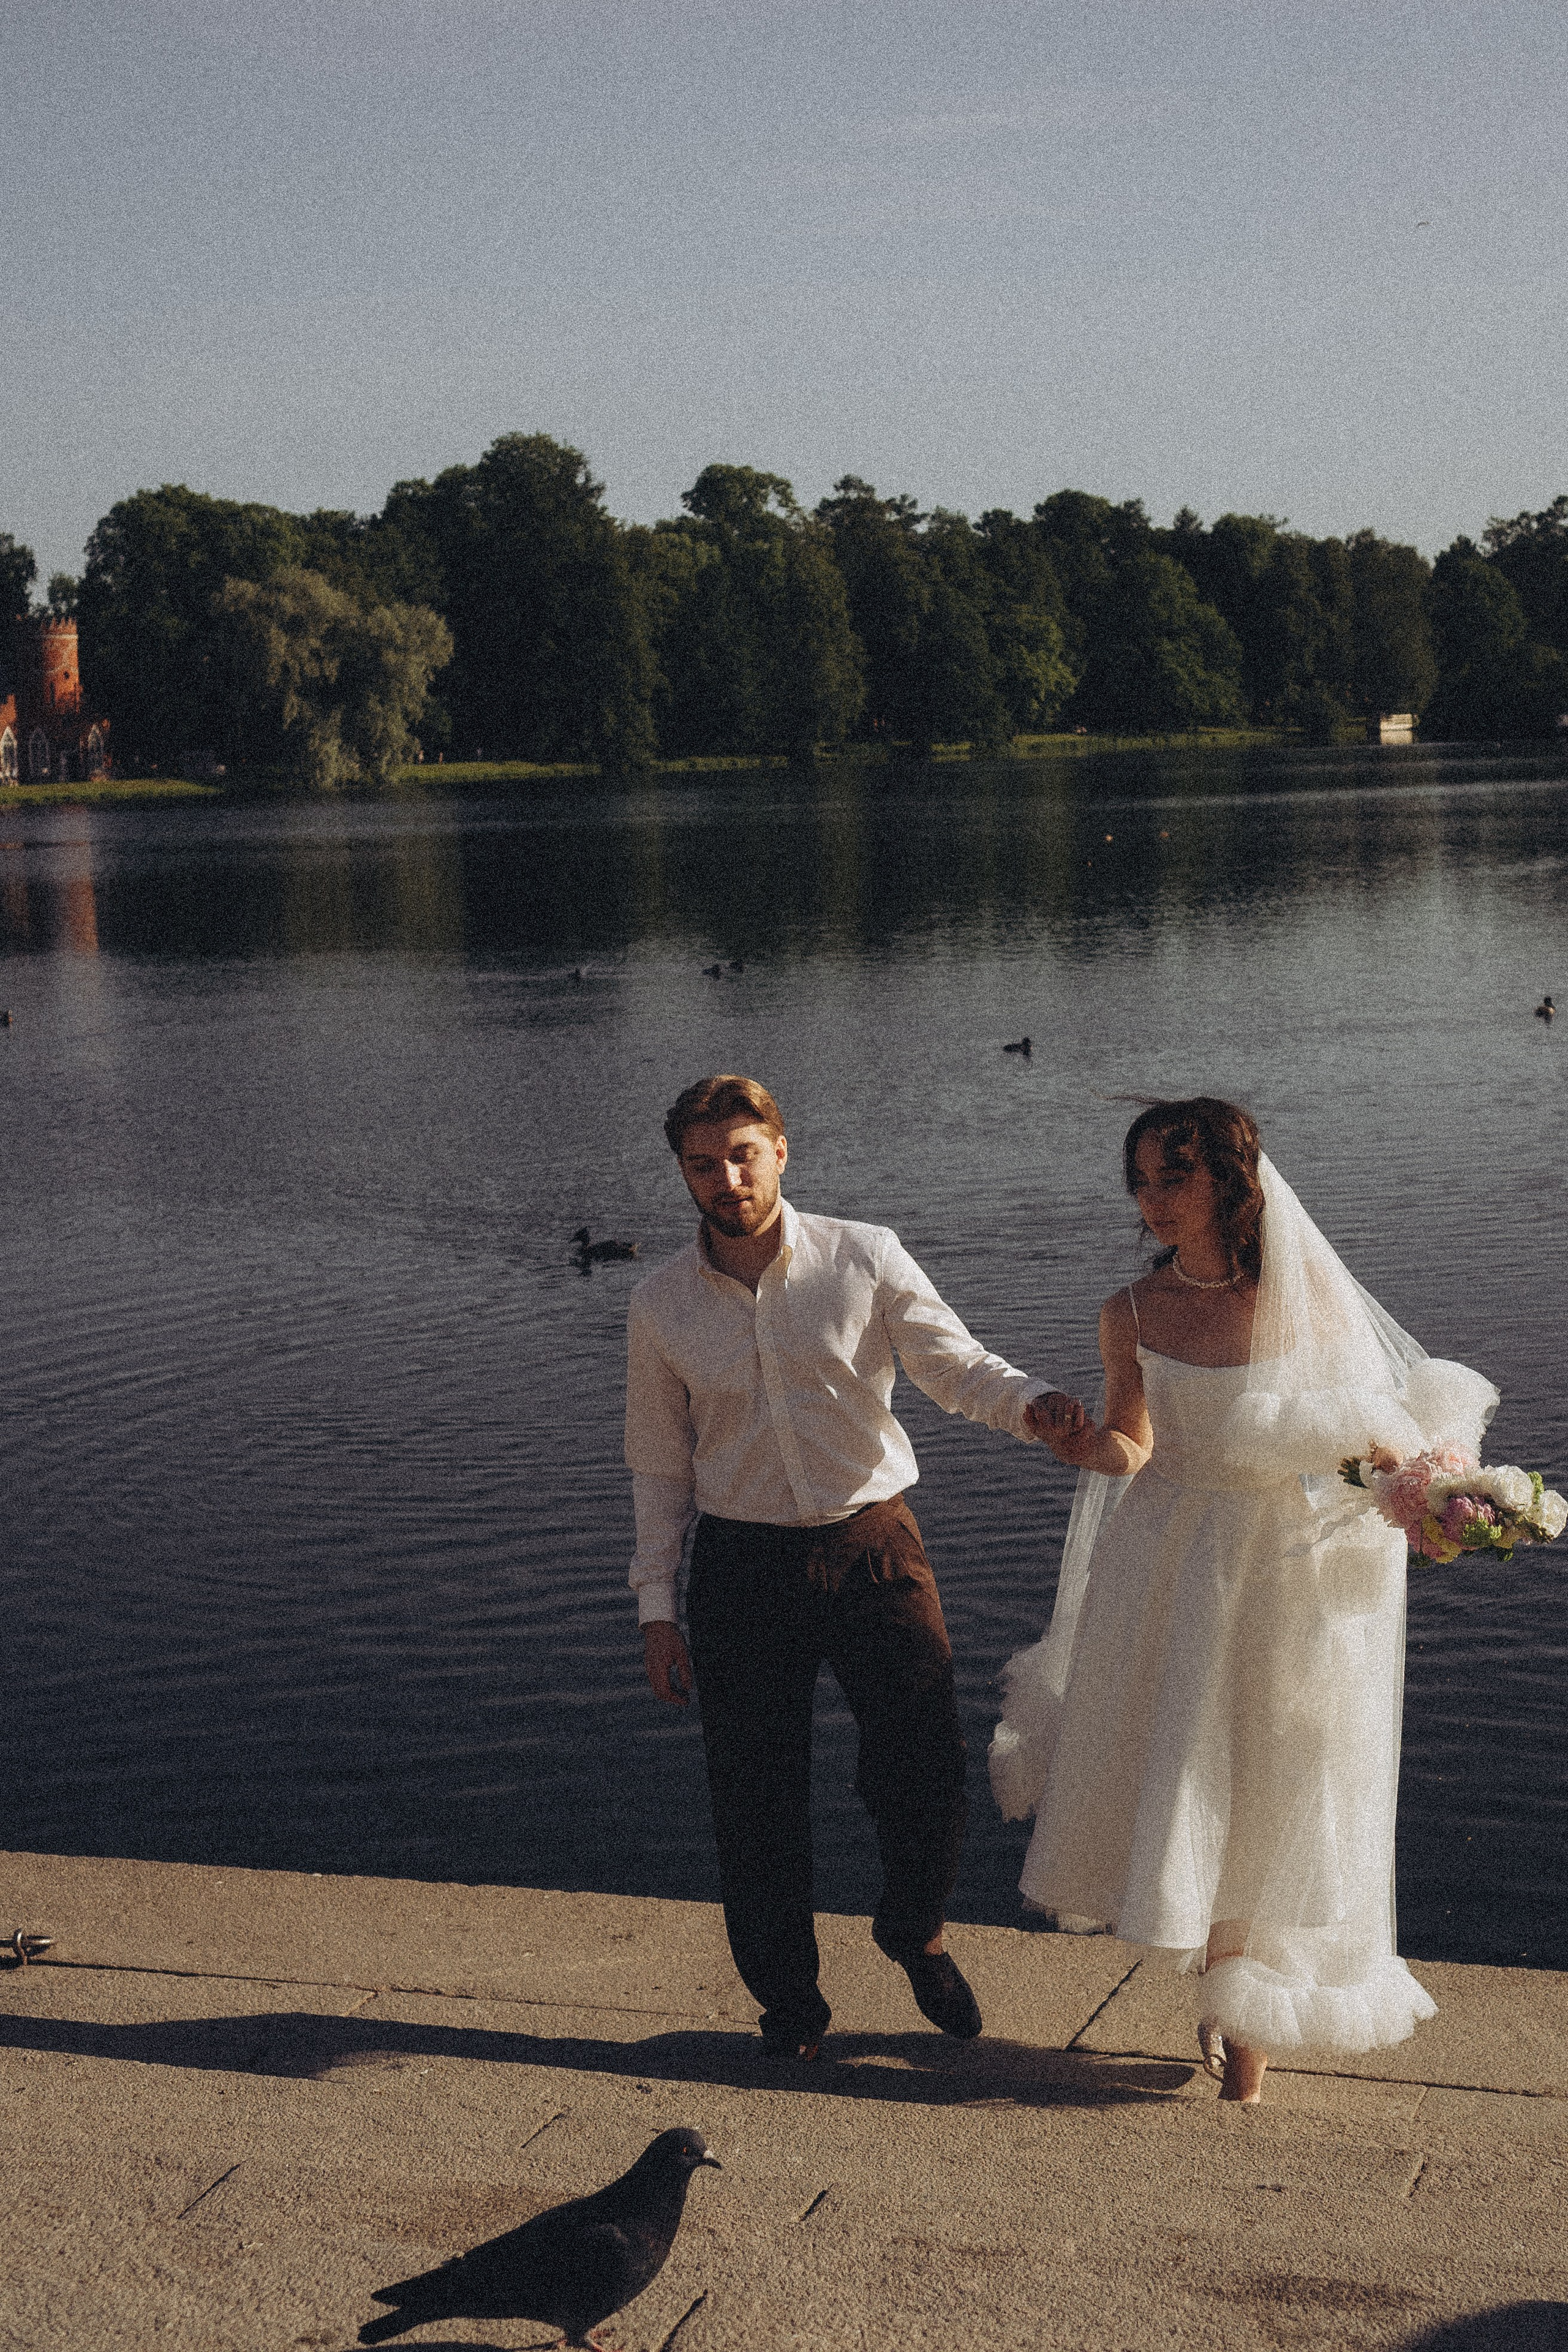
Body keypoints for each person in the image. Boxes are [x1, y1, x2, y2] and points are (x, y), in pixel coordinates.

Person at [990, 1098, 1497, 2104]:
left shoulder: (1311, 1303)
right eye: (1140, 1182)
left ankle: (1245, 2015)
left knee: (1277, 1774)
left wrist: (1431, 1496)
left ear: (1234, 1182)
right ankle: (1227, 2001)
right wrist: (1076, 1442)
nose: (1153, 1201)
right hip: (1171, 1559)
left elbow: (1373, 1443)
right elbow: (1132, 1446)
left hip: (1284, 1565)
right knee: (1193, 1766)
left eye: (1172, 1177)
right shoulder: (1130, 1311)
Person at [627, 1072, 1058, 2060]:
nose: (727, 1178)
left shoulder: (864, 1256)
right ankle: (791, 2009)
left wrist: (1036, 1407)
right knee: (754, 1800)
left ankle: (915, 1929)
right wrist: (657, 1607)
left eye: (743, 1153)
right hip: (740, 1568)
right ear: (684, 1174)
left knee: (924, 1773)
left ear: (782, 1149)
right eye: (704, 1163)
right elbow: (657, 1462)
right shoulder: (660, 1306)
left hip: (874, 1549)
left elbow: (957, 1367)